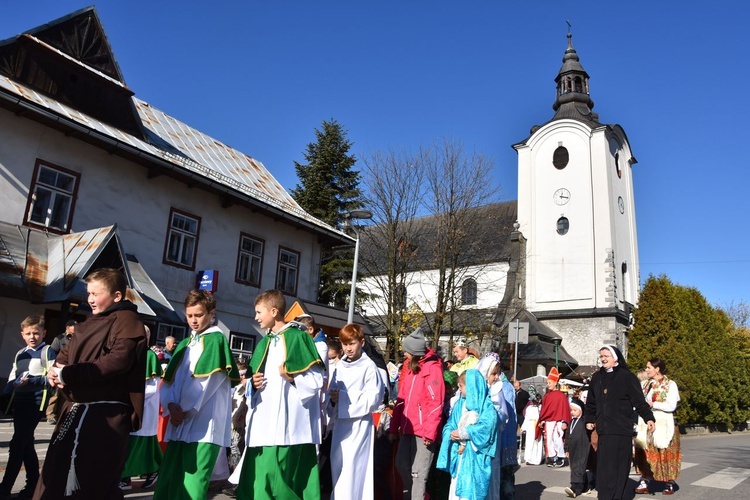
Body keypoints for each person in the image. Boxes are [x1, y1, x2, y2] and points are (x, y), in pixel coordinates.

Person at [35, 268, 148, 499]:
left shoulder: (128, 321)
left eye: (96, 294)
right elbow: (64, 356)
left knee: (94, 479)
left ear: (117, 296)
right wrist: (54, 372)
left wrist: (69, 374)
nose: (90, 299)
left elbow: (118, 360)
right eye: (89, 293)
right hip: (75, 410)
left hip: (106, 414)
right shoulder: (87, 323)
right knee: (57, 473)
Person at [237, 289, 325, 500]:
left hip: (287, 428)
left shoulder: (297, 338)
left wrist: (293, 377)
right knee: (260, 480)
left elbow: (316, 381)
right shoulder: (265, 342)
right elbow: (251, 381)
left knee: (279, 483)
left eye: (259, 312)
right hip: (263, 427)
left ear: (274, 311)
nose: (256, 317)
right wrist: (253, 384)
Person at [154, 290, 239, 500]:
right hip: (179, 423)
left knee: (192, 484)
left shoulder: (215, 340)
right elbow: (169, 382)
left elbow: (206, 383)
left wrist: (181, 409)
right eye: (189, 315)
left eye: (199, 315)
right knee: (170, 479)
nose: (193, 320)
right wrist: (171, 404)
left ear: (211, 313)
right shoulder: (184, 345)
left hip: (203, 425)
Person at [585, 345, 655, 500]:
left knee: (619, 466)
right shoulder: (597, 377)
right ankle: (605, 496)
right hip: (604, 429)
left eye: (606, 356)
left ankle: (617, 496)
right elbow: (591, 402)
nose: (603, 359)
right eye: (601, 356)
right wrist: (589, 419)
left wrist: (648, 417)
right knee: (604, 467)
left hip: (621, 428)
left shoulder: (627, 377)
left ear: (615, 358)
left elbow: (639, 400)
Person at [0, 316, 55, 500]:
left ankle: (5, 488)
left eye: (36, 333)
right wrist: (7, 394)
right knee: (26, 444)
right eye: (28, 333)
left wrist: (31, 380)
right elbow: (12, 377)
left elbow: (52, 379)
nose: (33, 336)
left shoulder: (47, 352)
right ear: (22, 335)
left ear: (44, 333)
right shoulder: (20, 354)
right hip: (20, 402)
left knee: (17, 444)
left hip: (36, 403)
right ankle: (33, 485)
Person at [327, 323, 384, 499]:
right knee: (338, 465)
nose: (348, 348)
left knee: (353, 468)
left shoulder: (369, 367)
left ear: (362, 342)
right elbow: (332, 391)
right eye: (345, 344)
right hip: (340, 425)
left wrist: (343, 398)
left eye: (352, 343)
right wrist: (333, 398)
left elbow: (374, 398)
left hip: (359, 425)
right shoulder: (340, 366)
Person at [389, 327, 445, 500]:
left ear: (414, 352)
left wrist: (430, 432)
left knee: (419, 474)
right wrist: (394, 427)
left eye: (406, 350)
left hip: (423, 431)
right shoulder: (410, 368)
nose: (404, 353)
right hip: (407, 428)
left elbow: (436, 403)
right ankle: (420, 496)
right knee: (401, 465)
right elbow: (401, 399)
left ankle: (418, 496)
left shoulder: (432, 369)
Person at [437, 369, 497, 500]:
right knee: (457, 489)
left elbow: (487, 428)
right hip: (460, 456)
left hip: (475, 458)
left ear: (470, 386)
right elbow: (450, 422)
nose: (459, 389)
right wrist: (450, 433)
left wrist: (465, 433)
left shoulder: (487, 407)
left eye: (461, 386)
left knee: (472, 492)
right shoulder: (460, 404)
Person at [120, 333, 163, 491]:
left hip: (143, 408)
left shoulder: (149, 355)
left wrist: (132, 402)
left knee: (135, 445)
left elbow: (151, 387)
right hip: (129, 407)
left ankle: (125, 477)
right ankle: (153, 470)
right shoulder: (129, 353)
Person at [634, 358, 681, 496]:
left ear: (657, 369)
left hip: (663, 423)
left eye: (649, 367)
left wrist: (654, 404)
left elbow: (672, 405)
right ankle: (645, 480)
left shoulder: (670, 384)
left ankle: (669, 482)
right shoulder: (644, 384)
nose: (646, 370)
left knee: (664, 452)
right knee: (644, 451)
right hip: (645, 424)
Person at [538, 367, 570, 468]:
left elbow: (565, 409)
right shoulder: (547, 396)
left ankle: (560, 457)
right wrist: (542, 419)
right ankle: (551, 458)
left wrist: (565, 421)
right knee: (549, 441)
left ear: (555, 383)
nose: (548, 385)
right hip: (548, 422)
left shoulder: (561, 396)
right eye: (547, 383)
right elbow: (544, 409)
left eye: (550, 383)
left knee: (557, 439)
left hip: (558, 421)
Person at [45, 320, 75, 425]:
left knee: (66, 393)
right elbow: (53, 352)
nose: (75, 328)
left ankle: (63, 414)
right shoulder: (59, 338)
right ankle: (50, 414)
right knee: (56, 393)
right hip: (58, 367)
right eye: (73, 326)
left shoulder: (77, 338)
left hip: (70, 368)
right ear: (67, 328)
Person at [564, 398, 591, 498]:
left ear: (581, 410)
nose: (572, 412)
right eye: (571, 410)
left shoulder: (584, 421)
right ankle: (586, 486)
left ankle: (575, 488)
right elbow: (567, 435)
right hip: (572, 448)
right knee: (575, 466)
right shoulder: (571, 422)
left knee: (579, 467)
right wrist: (566, 448)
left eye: (575, 410)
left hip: (582, 447)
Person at [521, 390, 544, 465]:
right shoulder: (529, 408)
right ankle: (529, 458)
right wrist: (523, 427)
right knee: (529, 442)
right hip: (530, 426)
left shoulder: (541, 408)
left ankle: (536, 459)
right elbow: (527, 418)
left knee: (537, 443)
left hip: (537, 426)